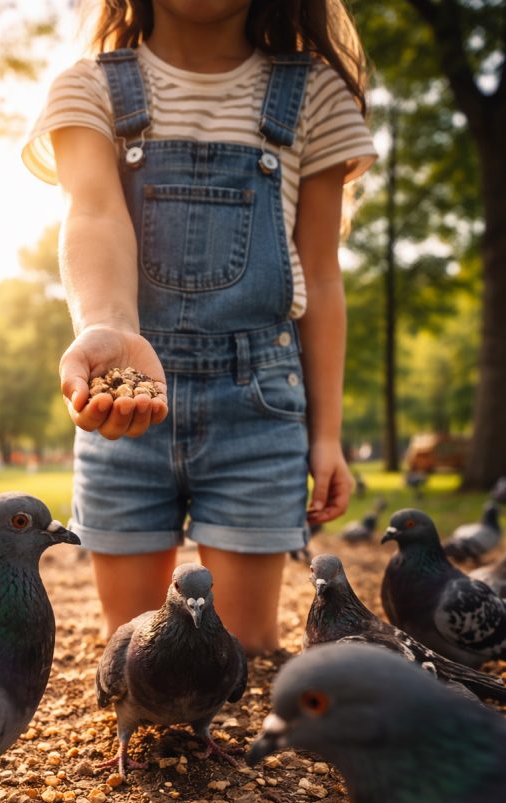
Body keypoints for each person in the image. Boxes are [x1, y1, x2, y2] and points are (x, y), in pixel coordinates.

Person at [23, 0, 376, 654]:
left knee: (235, 656)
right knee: (135, 656)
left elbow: (321, 279)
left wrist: (325, 436)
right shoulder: (88, 84)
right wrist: (110, 330)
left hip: (259, 409)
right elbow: (93, 214)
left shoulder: (315, 94)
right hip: (125, 406)